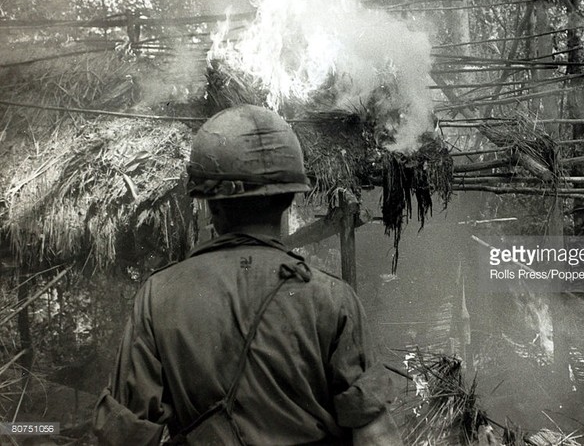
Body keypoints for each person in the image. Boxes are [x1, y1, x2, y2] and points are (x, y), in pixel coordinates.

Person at [93, 104, 403, 445]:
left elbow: (122, 437)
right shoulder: (334, 299)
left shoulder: (158, 297)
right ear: (287, 198)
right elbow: (376, 436)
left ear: (210, 203)